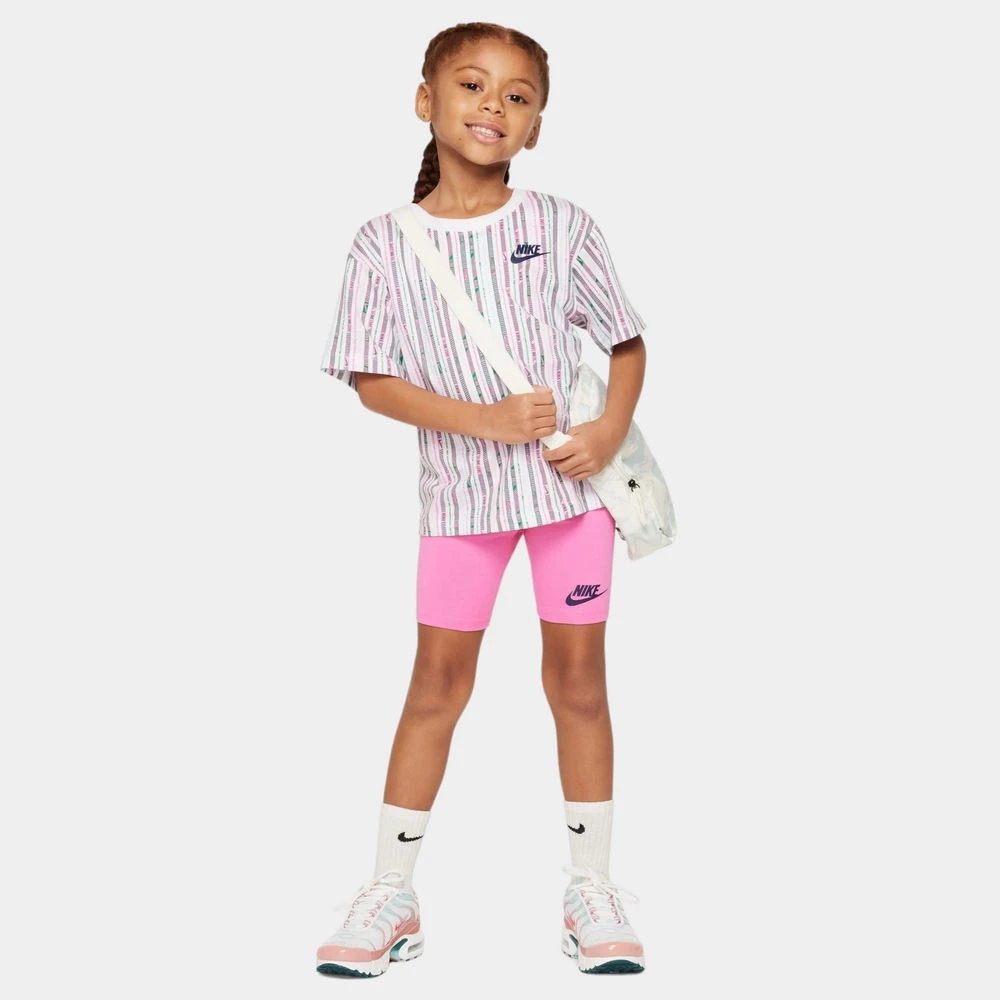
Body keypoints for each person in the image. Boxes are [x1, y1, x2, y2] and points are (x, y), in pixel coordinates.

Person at [315, 21, 650, 978]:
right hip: (460, 506)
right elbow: (371, 379)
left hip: (569, 501)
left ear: (536, 126)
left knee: (578, 683)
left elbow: (626, 341)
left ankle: (592, 888)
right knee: (436, 683)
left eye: (518, 95)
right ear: (426, 101)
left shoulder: (564, 224)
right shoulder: (383, 242)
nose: (493, 105)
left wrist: (607, 431)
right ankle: (390, 892)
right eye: (471, 85)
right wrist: (483, 420)